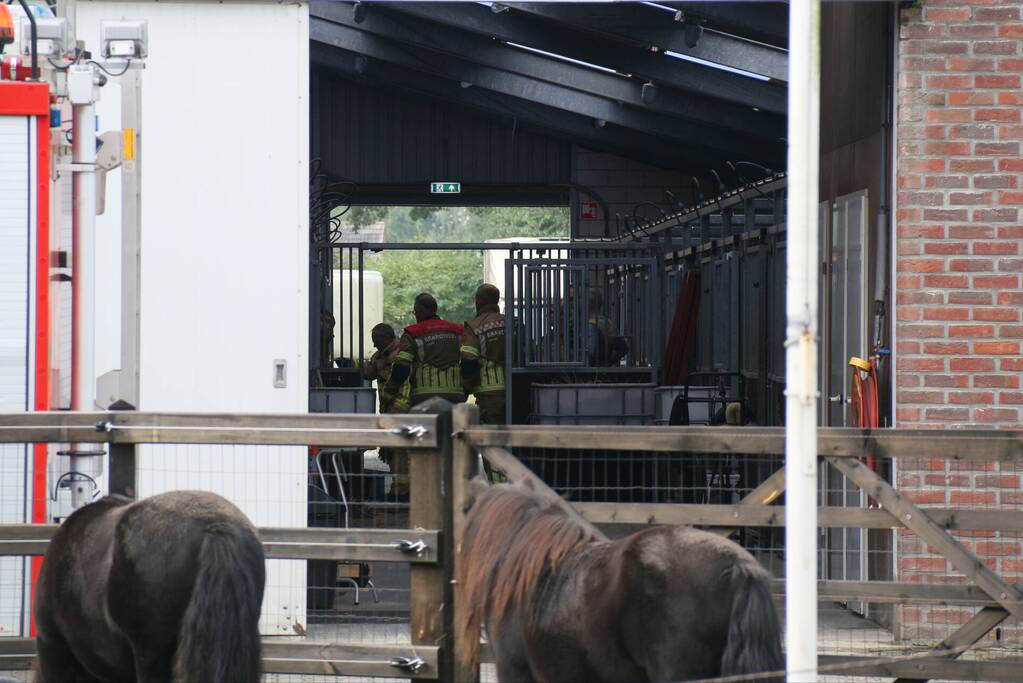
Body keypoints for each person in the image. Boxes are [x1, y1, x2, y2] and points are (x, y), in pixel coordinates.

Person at [387, 293, 465, 406]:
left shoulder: (413, 333)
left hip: (425, 395)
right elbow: (469, 359)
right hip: (455, 393)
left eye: (415, 312)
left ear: (419, 310)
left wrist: (391, 387)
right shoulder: (458, 330)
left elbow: (402, 366)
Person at [362, 323, 411, 499]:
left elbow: (388, 376)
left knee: (399, 450)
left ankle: (402, 491)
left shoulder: (399, 354)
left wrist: (378, 364)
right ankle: (400, 488)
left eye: (376, 340)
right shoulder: (382, 354)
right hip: (390, 408)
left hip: (401, 407)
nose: (374, 344)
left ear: (386, 338)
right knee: (392, 450)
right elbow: (369, 373)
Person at [461, 283, 506, 425]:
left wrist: (465, 389)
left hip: (489, 394)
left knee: (493, 435)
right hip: (516, 389)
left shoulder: (474, 326)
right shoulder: (513, 322)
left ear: (478, 301)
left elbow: (469, 361)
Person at [586, 289, 628, 366]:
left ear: (587, 305)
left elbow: (592, 352)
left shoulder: (590, 325)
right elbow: (623, 348)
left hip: (590, 370)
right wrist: (607, 363)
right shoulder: (608, 322)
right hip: (604, 370)